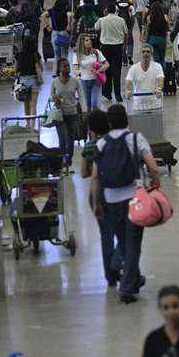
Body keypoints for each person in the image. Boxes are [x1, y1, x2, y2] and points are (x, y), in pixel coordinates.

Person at [92, 104, 161, 304]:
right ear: (127, 120)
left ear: (109, 123)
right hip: (134, 199)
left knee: (123, 242)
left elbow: (96, 177)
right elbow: (152, 165)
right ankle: (127, 288)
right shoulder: (135, 138)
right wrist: (156, 183)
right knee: (133, 246)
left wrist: (97, 203)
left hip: (111, 200)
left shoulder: (101, 144)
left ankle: (134, 278)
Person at [80, 109, 121, 287]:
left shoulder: (89, 147)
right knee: (124, 231)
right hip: (116, 190)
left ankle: (110, 277)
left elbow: (83, 173)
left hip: (96, 193)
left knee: (106, 235)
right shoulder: (114, 142)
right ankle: (117, 263)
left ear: (91, 129)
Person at [51, 58, 82, 169]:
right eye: (64, 66)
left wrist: (82, 110)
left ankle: (69, 160)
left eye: (68, 65)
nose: (67, 68)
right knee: (62, 138)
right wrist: (55, 98)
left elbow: (81, 96)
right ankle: (62, 159)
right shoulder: (55, 82)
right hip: (59, 114)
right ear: (59, 68)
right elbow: (51, 97)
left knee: (70, 138)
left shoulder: (75, 81)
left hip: (72, 113)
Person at [95, 3, 129, 103]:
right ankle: (118, 95)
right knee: (117, 71)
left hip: (105, 48)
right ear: (115, 10)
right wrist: (125, 46)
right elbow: (126, 34)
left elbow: (96, 28)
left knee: (106, 71)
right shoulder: (121, 20)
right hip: (118, 47)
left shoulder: (102, 20)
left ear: (107, 10)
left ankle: (107, 94)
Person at [75, 34, 109, 111]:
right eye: (86, 40)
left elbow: (106, 64)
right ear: (81, 42)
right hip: (84, 82)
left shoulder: (96, 52)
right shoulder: (77, 55)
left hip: (96, 81)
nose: (89, 42)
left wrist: (98, 71)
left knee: (95, 103)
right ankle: (89, 120)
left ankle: (96, 120)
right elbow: (75, 70)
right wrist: (80, 72)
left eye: (89, 40)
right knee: (87, 105)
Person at [42, 0, 72, 77]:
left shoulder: (52, 11)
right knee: (64, 55)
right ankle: (65, 71)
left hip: (55, 34)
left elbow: (43, 16)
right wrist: (69, 25)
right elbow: (70, 16)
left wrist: (48, 25)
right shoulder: (65, 11)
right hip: (64, 33)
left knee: (56, 55)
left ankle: (55, 72)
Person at [17, 36, 43, 117]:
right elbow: (41, 67)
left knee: (26, 105)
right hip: (34, 80)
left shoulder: (19, 54)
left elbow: (16, 69)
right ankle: (32, 126)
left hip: (23, 82)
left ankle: (27, 125)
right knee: (33, 105)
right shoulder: (36, 54)